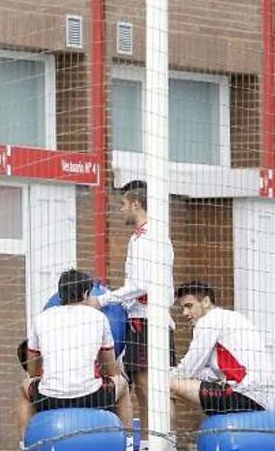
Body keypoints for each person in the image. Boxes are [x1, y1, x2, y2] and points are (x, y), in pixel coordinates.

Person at [86, 180, 174, 436]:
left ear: (136, 203)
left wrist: (101, 300)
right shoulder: (144, 236)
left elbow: (141, 284)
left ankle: (162, 442)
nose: (120, 209)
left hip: (147, 321)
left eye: (123, 204)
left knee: (151, 389)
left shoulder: (149, 237)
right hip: (141, 319)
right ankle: (150, 442)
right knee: (142, 388)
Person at [17, 269, 132, 445]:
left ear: (60, 293)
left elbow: (33, 369)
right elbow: (110, 368)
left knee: (25, 387)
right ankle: (129, 443)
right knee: (122, 385)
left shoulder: (41, 318)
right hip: (92, 396)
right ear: (86, 293)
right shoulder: (98, 317)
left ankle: (25, 445)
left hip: (49, 398)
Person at [170, 281, 273, 417]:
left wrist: (163, 375)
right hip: (265, 401)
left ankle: (165, 437)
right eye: (183, 308)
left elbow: (187, 370)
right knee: (179, 388)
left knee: (164, 384)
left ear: (206, 302)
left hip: (245, 398)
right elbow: (209, 374)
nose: (184, 313)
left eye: (189, 306)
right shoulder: (231, 317)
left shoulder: (209, 321)